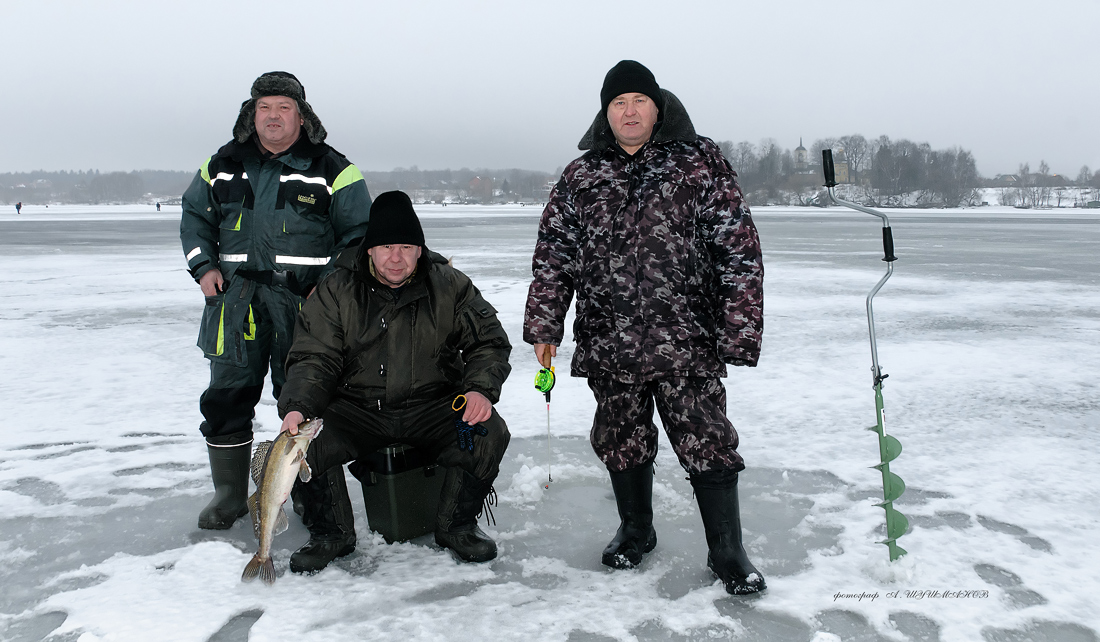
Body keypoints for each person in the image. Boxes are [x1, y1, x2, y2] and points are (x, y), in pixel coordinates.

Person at [523, 60, 766, 594]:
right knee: (620, 439)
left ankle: (727, 549)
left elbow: (738, 247)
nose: (628, 111)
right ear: (605, 113)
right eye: (617, 103)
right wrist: (545, 324)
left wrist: (740, 328)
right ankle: (636, 530)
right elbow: (554, 255)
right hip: (610, 340)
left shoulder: (699, 162)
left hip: (687, 339)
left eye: (638, 101)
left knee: (707, 441)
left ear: (657, 107)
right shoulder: (582, 175)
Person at [277, 190, 511, 573]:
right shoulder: (336, 290)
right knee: (303, 445)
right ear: (369, 249)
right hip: (357, 409)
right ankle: (330, 534)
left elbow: (488, 342)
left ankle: (457, 526)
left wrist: (479, 389)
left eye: (406, 246)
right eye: (387, 246)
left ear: (420, 249)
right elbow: (313, 357)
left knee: (488, 432)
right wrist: (298, 406)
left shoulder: (450, 286)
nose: (396, 257)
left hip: (433, 407)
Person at [180, 71, 372, 530]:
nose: (273, 116)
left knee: (305, 399)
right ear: (252, 112)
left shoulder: (333, 169)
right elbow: (193, 218)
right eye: (265, 107)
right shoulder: (221, 164)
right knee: (226, 397)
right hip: (234, 303)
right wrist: (204, 267)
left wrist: (326, 288)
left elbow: (359, 237)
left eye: (283, 108)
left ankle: (307, 490)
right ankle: (229, 495)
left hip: (302, 307)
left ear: (301, 116)